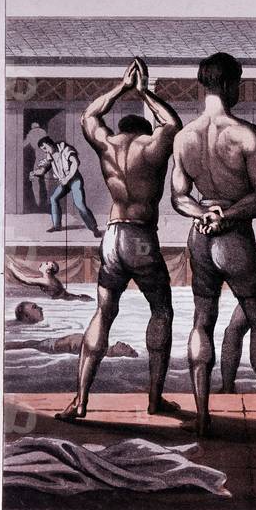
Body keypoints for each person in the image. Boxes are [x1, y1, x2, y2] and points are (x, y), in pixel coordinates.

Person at [170, 51, 256, 436]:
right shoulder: (245, 134)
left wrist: (203, 213)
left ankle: (203, 418)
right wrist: (224, 215)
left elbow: (178, 197)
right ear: (227, 84)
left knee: (202, 320)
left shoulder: (184, 137)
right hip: (234, 236)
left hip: (200, 238)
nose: (239, 90)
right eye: (237, 83)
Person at [56, 58, 183, 423]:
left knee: (103, 312)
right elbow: (172, 124)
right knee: (162, 311)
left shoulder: (107, 145)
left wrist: (121, 88)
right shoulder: (151, 146)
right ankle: (154, 399)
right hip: (140, 236)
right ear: (143, 130)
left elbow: (88, 117)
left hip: (112, 237)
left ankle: (81, 401)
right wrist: (144, 93)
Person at [31, 137, 102, 237]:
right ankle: (57, 226)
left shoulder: (66, 149)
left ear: (49, 144)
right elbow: (43, 170)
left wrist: (67, 178)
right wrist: (34, 173)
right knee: (53, 198)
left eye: (45, 148)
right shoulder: (49, 156)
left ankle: (94, 228)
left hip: (74, 180)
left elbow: (75, 163)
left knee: (80, 204)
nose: (45, 151)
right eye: (43, 150)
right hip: (64, 182)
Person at [7, 261, 93, 302]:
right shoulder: (50, 279)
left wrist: (12, 268)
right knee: (78, 297)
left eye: (47, 264)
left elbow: (24, 279)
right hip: (67, 297)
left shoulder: (46, 281)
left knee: (78, 297)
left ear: (48, 270)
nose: (43, 263)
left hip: (64, 299)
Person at [8, 335, 138, 358]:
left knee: (28, 344)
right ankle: (7, 345)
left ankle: (6, 346)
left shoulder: (100, 350)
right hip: (55, 343)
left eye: (126, 348)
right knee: (28, 344)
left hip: (54, 345)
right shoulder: (102, 346)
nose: (124, 344)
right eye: (126, 346)